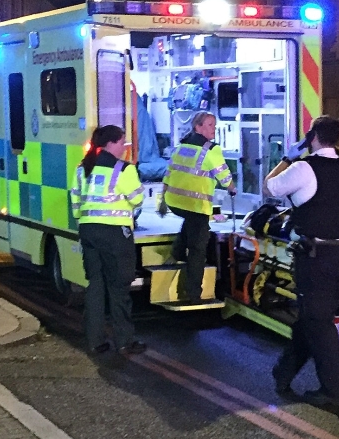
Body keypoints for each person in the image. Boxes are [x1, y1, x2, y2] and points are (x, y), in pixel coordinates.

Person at [266, 115, 339, 407]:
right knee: (313, 316)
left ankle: (335, 391)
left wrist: (287, 159)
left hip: (315, 258)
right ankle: (283, 373)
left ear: (312, 136)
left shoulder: (303, 167)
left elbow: (270, 187)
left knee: (319, 322)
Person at [71, 125, 147, 356]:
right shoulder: (124, 169)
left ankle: (96, 341)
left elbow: (75, 199)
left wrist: (83, 220)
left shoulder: (83, 168)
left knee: (95, 285)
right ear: (111, 144)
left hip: (88, 230)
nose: (124, 148)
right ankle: (124, 341)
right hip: (114, 234)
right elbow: (137, 198)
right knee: (119, 287)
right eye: (122, 143)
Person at [159, 111, 236, 303]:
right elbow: (223, 174)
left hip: (175, 202)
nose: (214, 129)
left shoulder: (180, 147)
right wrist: (232, 188)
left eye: (214, 125)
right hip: (195, 204)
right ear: (198, 127)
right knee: (197, 249)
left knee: (192, 224)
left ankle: (176, 252)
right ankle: (194, 294)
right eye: (210, 125)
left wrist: (161, 200)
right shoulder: (211, 150)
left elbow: (168, 173)